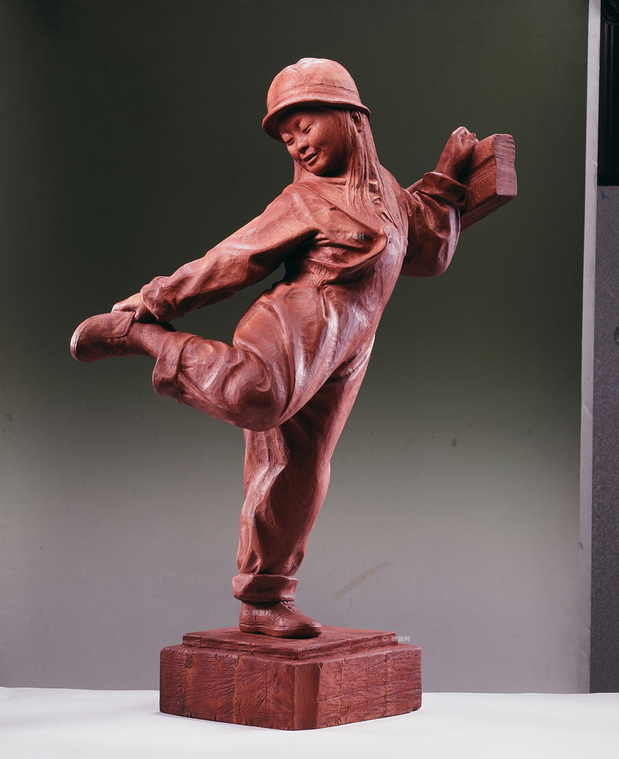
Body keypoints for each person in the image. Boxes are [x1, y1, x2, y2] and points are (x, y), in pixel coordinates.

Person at [71, 58, 477, 639]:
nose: (297, 143)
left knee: (300, 472)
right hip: (297, 322)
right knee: (255, 395)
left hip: (348, 347)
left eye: (305, 126)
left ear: (351, 118)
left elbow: (429, 251)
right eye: (288, 137)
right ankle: (142, 340)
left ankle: (264, 600)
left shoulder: (388, 192)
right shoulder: (304, 200)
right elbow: (231, 260)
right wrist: (153, 302)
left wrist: (445, 178)